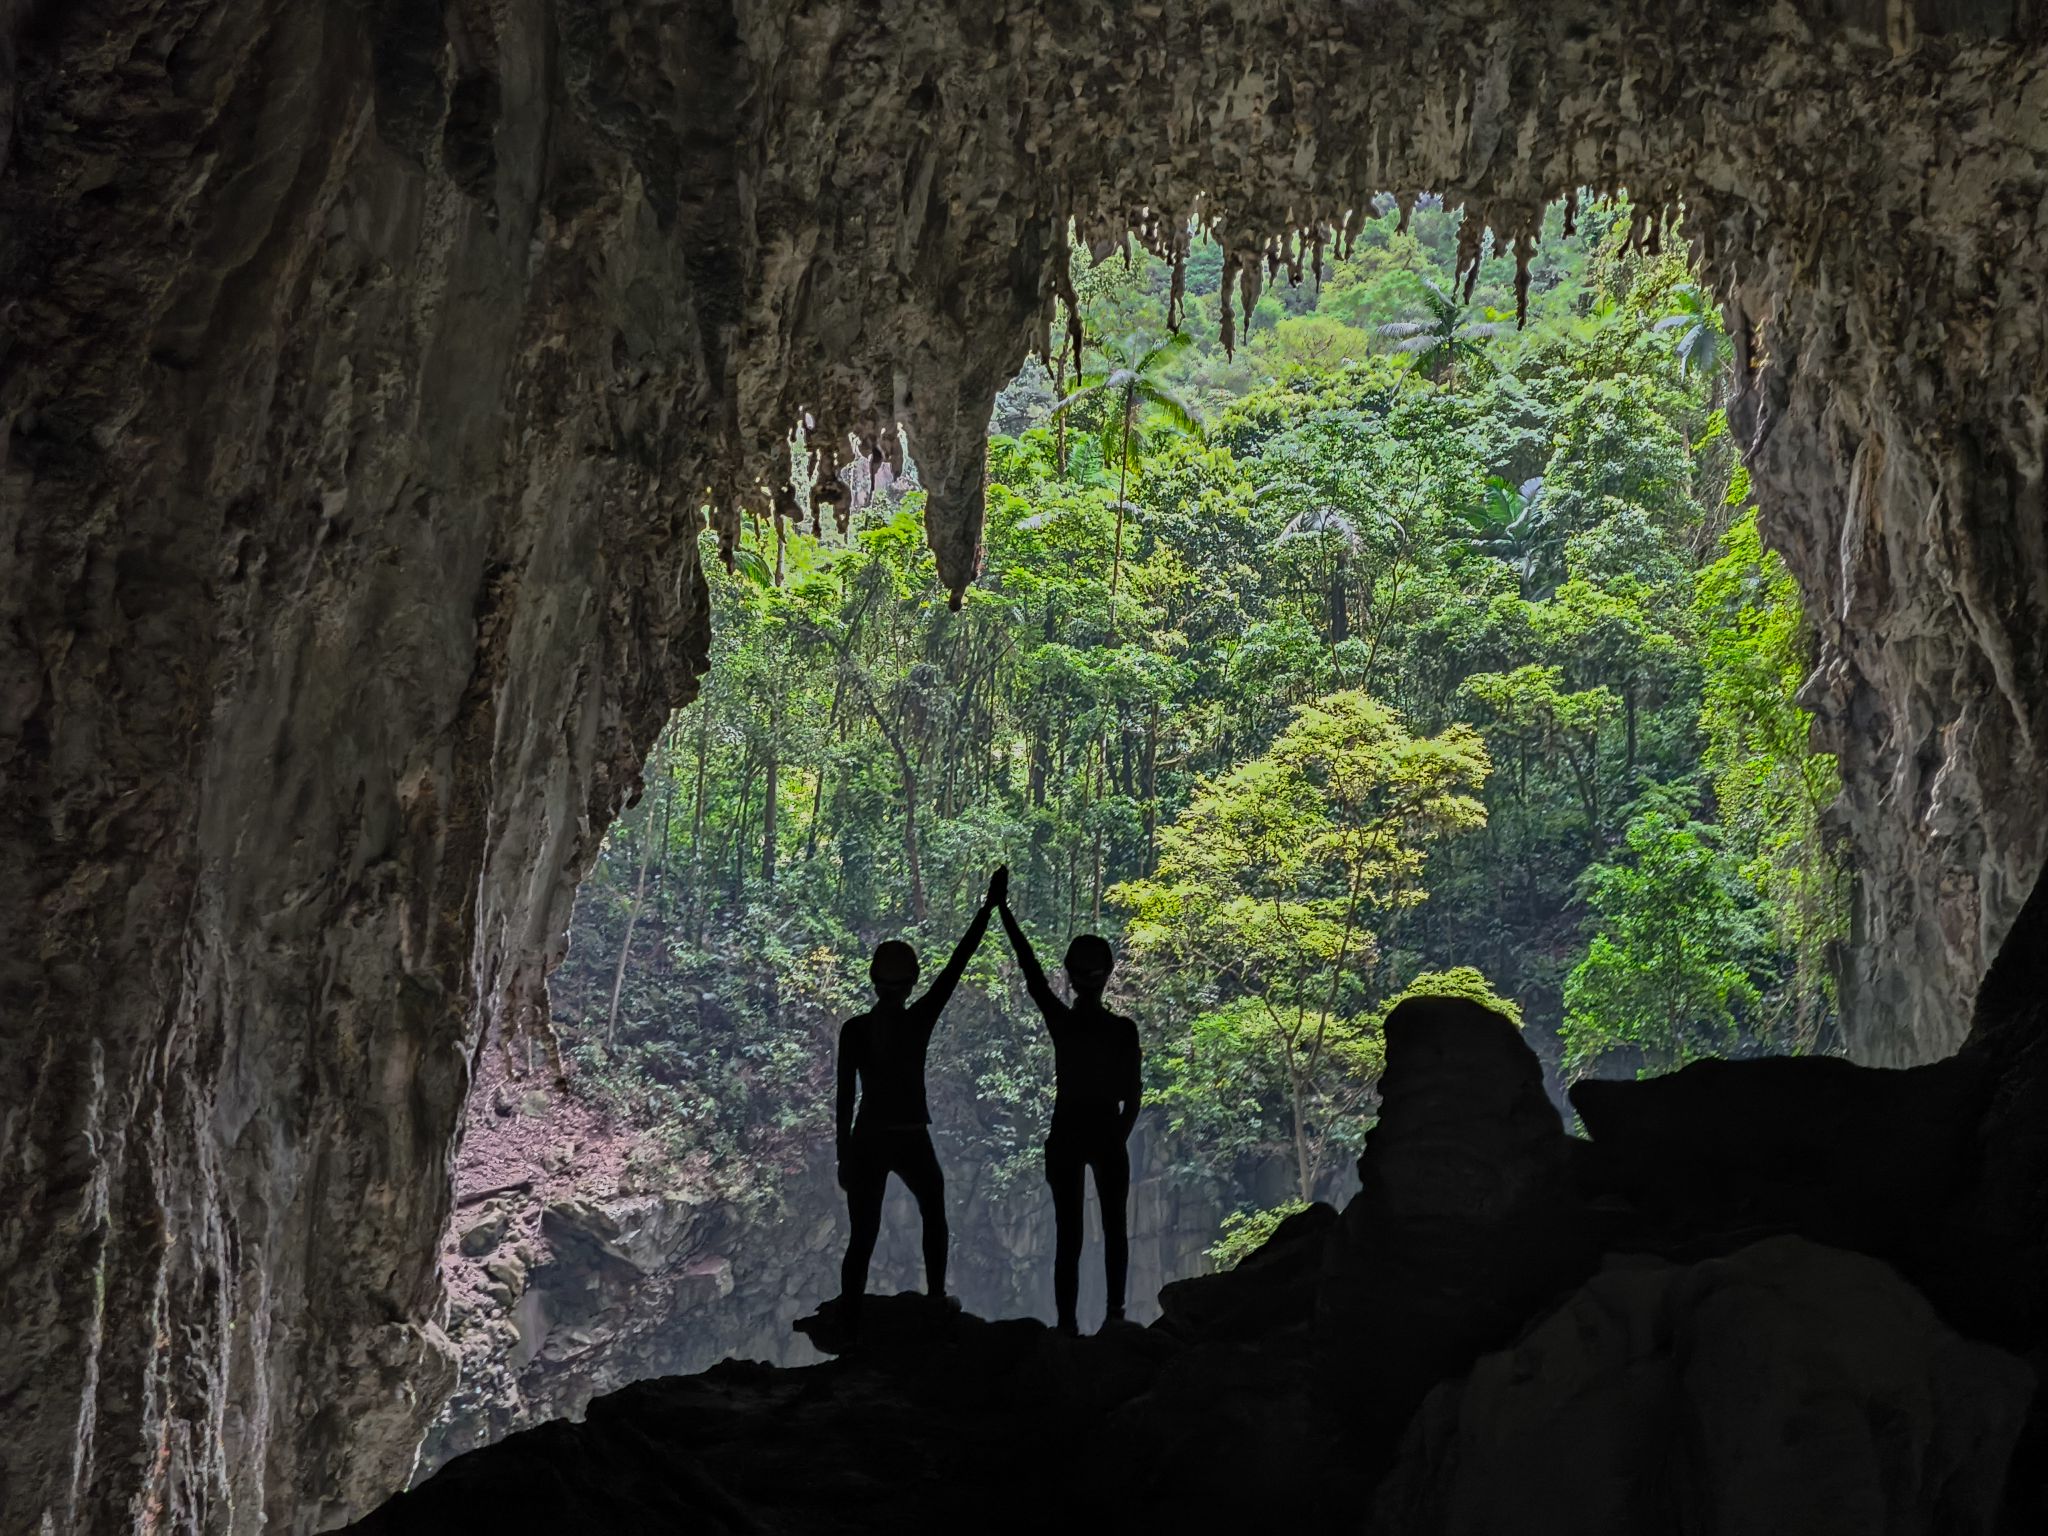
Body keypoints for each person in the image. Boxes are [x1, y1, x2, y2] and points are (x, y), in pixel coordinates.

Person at [834, 868, 1005, 1334]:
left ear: (874, 980)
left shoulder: (855, 1030)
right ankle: (933, 1298)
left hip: (868, 1138)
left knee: (862, 1236)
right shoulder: (918, 1020)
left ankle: (850, 1311)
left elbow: (845, 1098)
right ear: (911, 983)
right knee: (935, 1212)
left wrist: (843, 1157)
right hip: (910, 1136)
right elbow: (957, 965)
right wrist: (988, 909)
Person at [994, 870, 1143, 1335]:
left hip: (1067, 1131)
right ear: (1107, 974)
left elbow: (1030, 969)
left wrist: (1003, 909)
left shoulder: (1064, 1022)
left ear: (1072, 976)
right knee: (1115, 1229)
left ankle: (1066, 1327)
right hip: (1105, 1129)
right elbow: (1133, 1093)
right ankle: (1115, 1316)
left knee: (1069, 1236)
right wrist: (1117, 1135)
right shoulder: (1123, 1031)